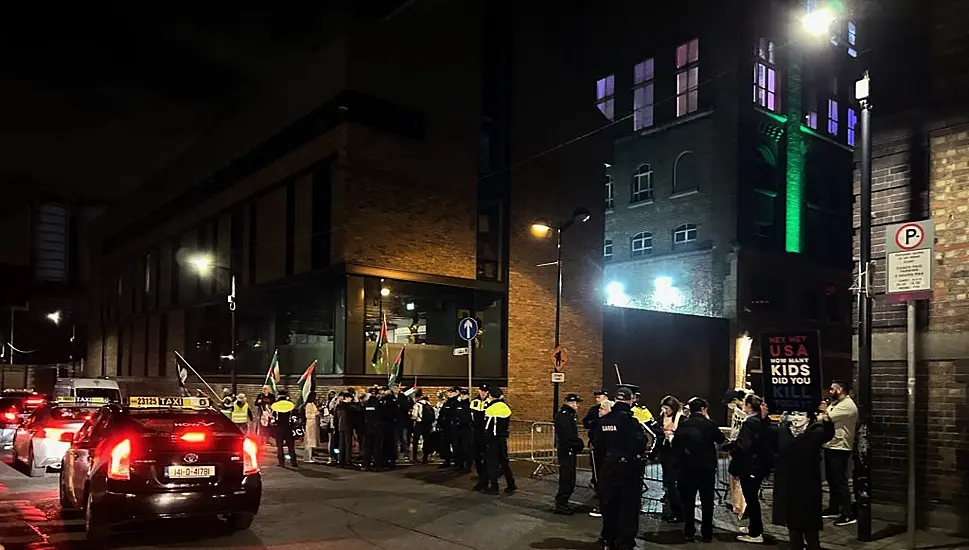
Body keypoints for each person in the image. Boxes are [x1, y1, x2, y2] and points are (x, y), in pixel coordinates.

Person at [593, 385, 648, 550]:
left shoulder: (604, 421)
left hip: (609, 467)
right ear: (631, 400)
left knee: (610, 504)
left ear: (616, 399)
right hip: (629, 470)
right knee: (629, 508)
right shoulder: (631, 422)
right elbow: (639, 443)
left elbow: (597, 443)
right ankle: (625, 542)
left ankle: (608, 537)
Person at [772, 408, 835, 550]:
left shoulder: (815, 431)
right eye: (793, 414)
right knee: (792, 525)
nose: (796, 418)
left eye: (801, 414)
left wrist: (826, 419)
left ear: (808, 417)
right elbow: (768, 441)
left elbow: (828, 434)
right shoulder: (783, 431)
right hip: (788, 483)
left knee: (810, 524)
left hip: (807, 484)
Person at [673, 397, 725, 542]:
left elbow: (676, 443)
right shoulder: (709, 424)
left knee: (688, 501)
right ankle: (707, 532)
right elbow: (720, 439)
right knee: (707, 501)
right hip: (706, 468)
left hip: (686, 468)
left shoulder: (683, 424)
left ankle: (689, 530)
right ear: (703, 409)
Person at [725, 393, 772, 544]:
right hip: (759, 466)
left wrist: (732, 449)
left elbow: (743, 445)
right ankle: (753, 527)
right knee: (752, 498)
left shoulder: (750, 423)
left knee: (751, 499)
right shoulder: (763, 421)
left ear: (749, 406)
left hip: (750, 466)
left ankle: (756, 532)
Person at [821, 380, 858, 526]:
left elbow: (826, 418)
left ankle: (847, 513)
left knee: (840, 480)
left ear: (840, 389)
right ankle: (834, 507)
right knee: (831, 479)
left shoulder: (847, 405)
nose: (830, 391)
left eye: (832, 389)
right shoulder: (836, 404)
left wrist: (824, 410)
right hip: (831, 445)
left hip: (840, 447)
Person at [553, 393, 585, 514]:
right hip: (567, 450)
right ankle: (561, 502)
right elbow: (568, 436)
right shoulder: (565, 416)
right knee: (567, 477)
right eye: (574, 402)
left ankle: (564, 501)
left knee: (570, 476)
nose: (576, 405)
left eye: (576, 403)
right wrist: (578, 444)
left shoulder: (569, 415)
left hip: (568, 449)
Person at [482, 387, 516, 495]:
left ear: (490, 396)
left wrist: (486, 438)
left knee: (492, 463)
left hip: (493, 440)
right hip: (502, 439)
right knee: (504, 463)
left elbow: (488, 426)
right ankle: (511, 484)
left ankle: (494, 486)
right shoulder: (505, 407)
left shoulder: (491, 408)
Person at [658, 395, 684, 523]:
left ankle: (679, 512)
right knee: (668, 483)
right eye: (663, 408)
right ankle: (671, 510)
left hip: (676, 455)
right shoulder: (661, 418)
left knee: (673, 484)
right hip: (665, 453)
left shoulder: (681, 418)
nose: (665, 411)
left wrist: (672, 435)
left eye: (667, 408)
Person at [583, 389, 608, 518]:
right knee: (596, 468)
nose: (598, 399)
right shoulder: (594, 410)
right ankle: (598, 488)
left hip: (607, 446)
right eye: (597, 397)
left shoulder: (612, 409)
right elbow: (586, 422)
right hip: (596, 444)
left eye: (600, 397)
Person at [270, 390, 298, 468]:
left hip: (279, 427)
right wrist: (293, 424)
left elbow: (273, 418)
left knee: (280, 446)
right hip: (288, 427)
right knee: (291, 445)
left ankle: (281, 462)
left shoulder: (275, 405)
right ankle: (293, 462)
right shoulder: (291, 405)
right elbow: (294, 417)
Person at [470, 384, 490, 489]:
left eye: (485, 391)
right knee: (476, 456)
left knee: (486, 457)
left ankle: (485, 478)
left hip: (485, 433)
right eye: (482, 391)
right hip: (476, 433)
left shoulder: (490, 402)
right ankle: (480, 474)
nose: (483, 393)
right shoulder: (474, 402)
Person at [361, 386, 384, 470]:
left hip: (367, 429)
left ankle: (365, 464)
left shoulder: (366, 404)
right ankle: (377, 464)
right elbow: (382, 416)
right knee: (377, 447)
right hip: (377, 428)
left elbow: (362, 416)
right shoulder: (379, 404)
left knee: (367, 447)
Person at [437, 387, 459, 468]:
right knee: (445, 445)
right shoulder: (447, 403)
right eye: (449, 392)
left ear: (456, 392)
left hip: (454, 428)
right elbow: (441, 414)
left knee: (455, 445)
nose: (449, 394)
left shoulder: (457, 403)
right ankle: (447, 460)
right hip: (445, 427)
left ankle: (457, 462)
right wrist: (440, 423)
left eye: (451, 392)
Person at [454, 388, 474, 472]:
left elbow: (470, 418)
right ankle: (460, 465)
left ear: (468, 395)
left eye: (464, 394)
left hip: (466, 429)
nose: (462, 396)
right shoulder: (458, 404)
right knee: (458, 447)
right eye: (462, 394)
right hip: (458, 429)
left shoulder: (469, 405)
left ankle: (467, 466)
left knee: (466, 448)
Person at [411, 393, 435, 463]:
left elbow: (414, 416)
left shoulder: (417, 404)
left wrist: (411, 417)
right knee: (426, 440)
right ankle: (425, 457)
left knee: (415, 440)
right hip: (427, 424)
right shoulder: (428, 404)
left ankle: (414, 457)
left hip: (419, 424)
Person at [378, 386, 398, 469]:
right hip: (390, 425)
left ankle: (387, 461)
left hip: (387, 425)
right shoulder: (393, 401)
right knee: (390, 444)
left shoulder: (386, 401)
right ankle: (390, 461)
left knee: (387, 444)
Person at [393, 383, 414, 460]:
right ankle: (396, 455)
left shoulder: (403, 397)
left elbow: (408, 407)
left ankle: (405, 454)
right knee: (396, 440)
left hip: (404, 421)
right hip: (395, 422)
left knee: (404, 439)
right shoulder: (391, 397)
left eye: (396, 387)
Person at [303, 392, 320, 463]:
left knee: (312, 441)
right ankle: (307, 457)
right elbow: (307, 415)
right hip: (310, 424)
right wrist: (315, 414)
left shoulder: (313, 404)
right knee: (309, 440)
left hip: (314, 424)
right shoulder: (308, 405)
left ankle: (311, 456)